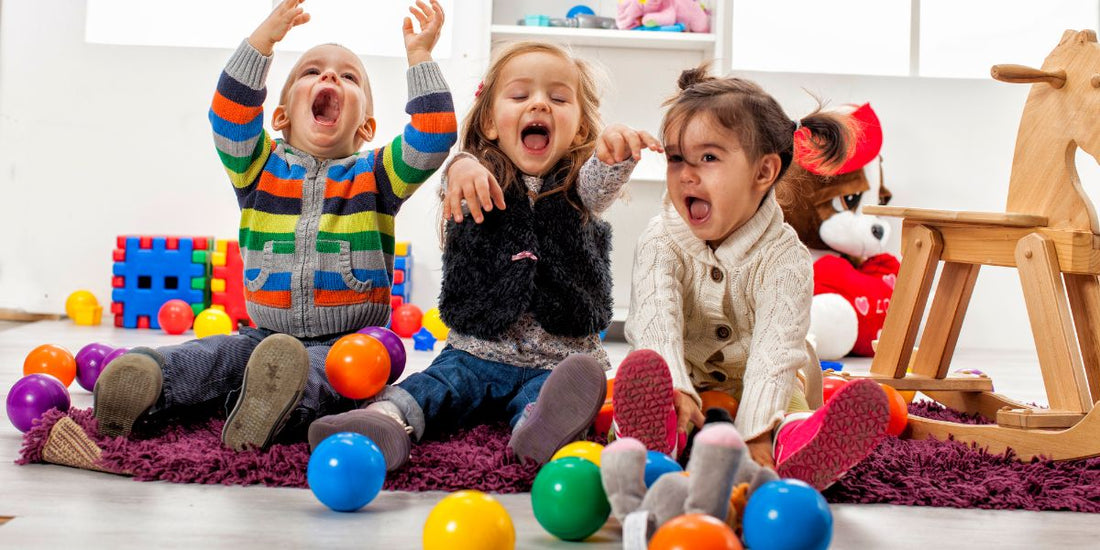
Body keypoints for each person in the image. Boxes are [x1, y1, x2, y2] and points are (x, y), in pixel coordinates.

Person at [92, 0, 456, 451]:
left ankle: (274, 405)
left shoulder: (378, 175)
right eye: (311, 72)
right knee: (217, 357)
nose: (329, 78)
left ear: (366, 126)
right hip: (265, 336)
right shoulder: (257, 166)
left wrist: (420, 56)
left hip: (350, 342)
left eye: (349, 76)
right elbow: (228, 114)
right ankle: (148, 379)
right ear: (280, 116)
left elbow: (434, 135)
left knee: (340, 373)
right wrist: (263, 40)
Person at [308, 41, 663, 470]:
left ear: (581, 129)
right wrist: (461, 165)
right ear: (492, 123)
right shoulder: (476, 176)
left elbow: (599, 184)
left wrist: (613, 155)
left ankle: (537, 430)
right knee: (434, 386)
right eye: (520, 95)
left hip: (556, 362)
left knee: (548, 400)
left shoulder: (578, 188)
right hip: (475, 353)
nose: (540, 105)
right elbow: (454, 183)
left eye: (558, 97)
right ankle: (382, 420)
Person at [614, 66, 890, 490]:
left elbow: (775, 353)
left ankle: (797, 447)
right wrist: (676, 387)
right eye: (675, 158)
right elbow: (655, 322)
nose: (686, 174)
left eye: (708, 158)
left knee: (788, 408)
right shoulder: (660, 240)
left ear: (763, 173)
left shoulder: (785, 257)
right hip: (686, 373)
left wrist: (757, 433)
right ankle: (656, 438)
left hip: (764, 380)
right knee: (649, 372)